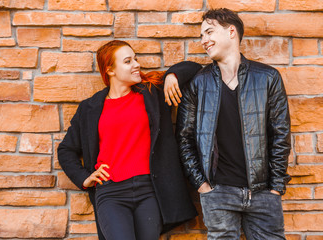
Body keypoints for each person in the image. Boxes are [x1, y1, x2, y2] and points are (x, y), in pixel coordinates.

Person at [164, 8, 291, 240]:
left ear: (231, 31)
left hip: (263, 193)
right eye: (201, 35)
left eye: (209, 32)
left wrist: (275, 188)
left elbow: (281, 136)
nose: (204, 40)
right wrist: (203, 186)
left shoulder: (268, 78)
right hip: (218, 192)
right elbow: (184, 138)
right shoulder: (198, 84)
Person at [58, 40, 201, 240]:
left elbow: (194, 68)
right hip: (111, 193)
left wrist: (172, 76)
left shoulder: (152, 94)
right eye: (128, 61)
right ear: (110, 70)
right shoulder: (89, 108)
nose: (136, 64)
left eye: (135, 59)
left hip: (149, 191)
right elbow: (66, 150)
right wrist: (84, 178)